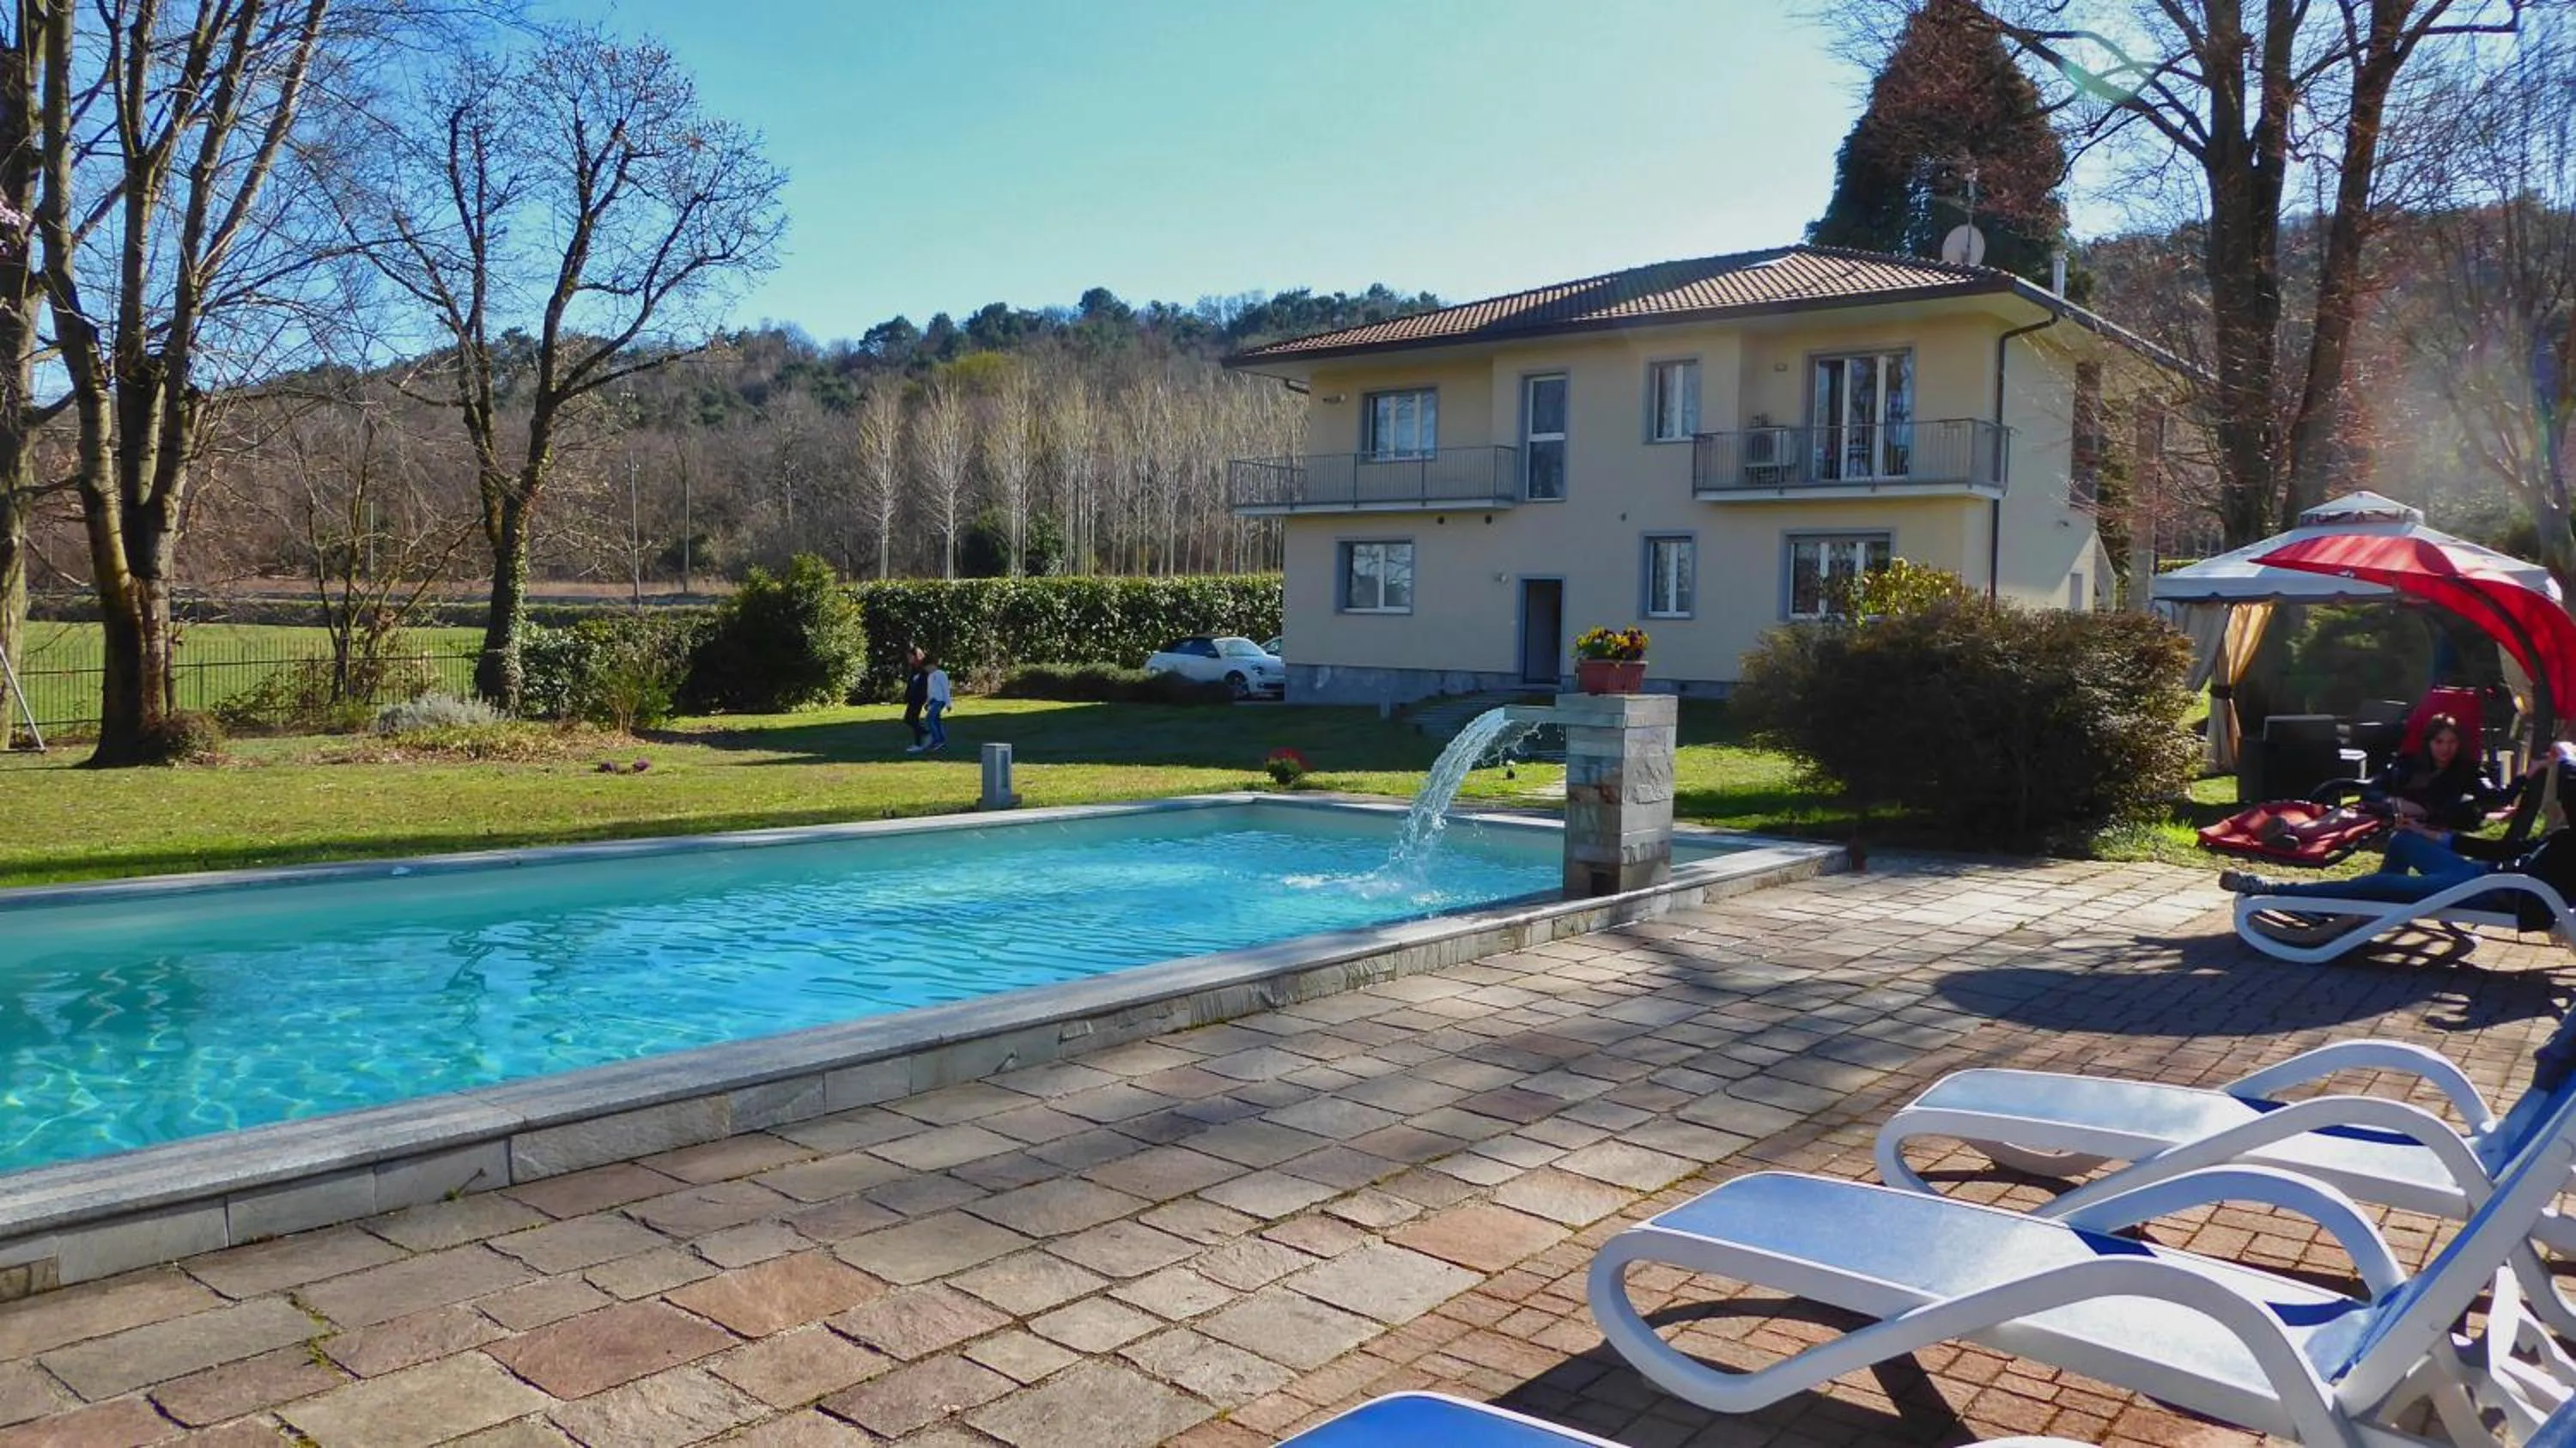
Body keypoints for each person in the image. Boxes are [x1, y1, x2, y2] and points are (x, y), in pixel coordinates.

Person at [2222, 746, 2576, 905]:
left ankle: (2274, 890)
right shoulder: (2411, 764)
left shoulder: (2569, 841)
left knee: (2376, 882)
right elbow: (2499, 850)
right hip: (2484, 872)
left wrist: (2565, 758)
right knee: (2404, 840)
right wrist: (2428, 834)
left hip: (2491, 891)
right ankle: (2371, 907)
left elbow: (2499, 801)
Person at [902, 648, 930, 753]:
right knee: (911, 719)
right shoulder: (914, 667)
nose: (909, 659)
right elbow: (911, 683)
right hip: (914, 697)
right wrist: (907, 696)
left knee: (910, 719)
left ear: (917, 656)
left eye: (910, 657)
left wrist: (930, 698)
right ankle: (919, 743)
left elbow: (936, 679)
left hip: (921, 697)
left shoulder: (927, 666)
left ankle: (925, 734)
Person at [923, 654, 952, 753]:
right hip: (933, 701)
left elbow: (945, 689)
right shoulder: (930, 676)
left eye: (927, 667)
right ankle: (942, 740)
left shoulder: (941, 674)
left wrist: (948, 703)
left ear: (932, 665)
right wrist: (927, 702)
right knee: (936, 720)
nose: (926, 670)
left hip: (940, 700)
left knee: (930, 719)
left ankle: (937, 740)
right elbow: (930, 691)